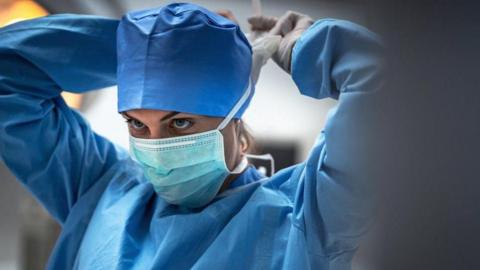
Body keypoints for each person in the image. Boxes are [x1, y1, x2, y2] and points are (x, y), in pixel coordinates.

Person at [0, 3, 382, 269]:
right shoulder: (101, 187)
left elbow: (393, 92)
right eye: (136, 124)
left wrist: (308, 48)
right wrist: (142, 45)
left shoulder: (306, 218)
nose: (156, 147)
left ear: (234, 117)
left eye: (180, 123)